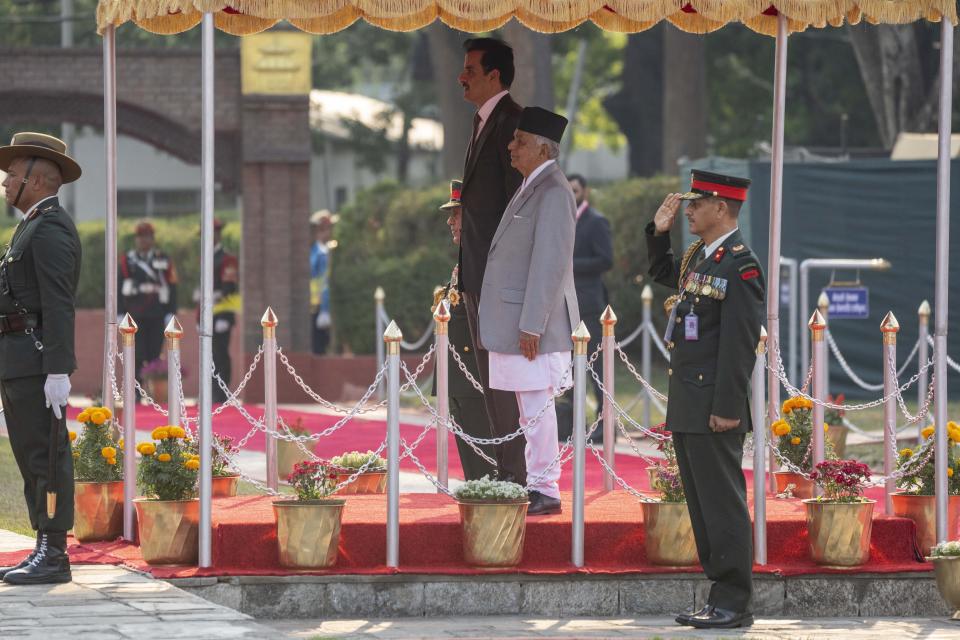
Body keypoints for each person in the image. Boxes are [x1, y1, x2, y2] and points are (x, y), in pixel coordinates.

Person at [646, 169, 764, 629]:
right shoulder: (700, 255)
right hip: (690, 402)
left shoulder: (740, 263)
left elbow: (739, 344)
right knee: (701, 504)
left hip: (715, 407)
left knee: (723, 504)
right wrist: (659, 232)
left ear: (723, 208)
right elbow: (662, 273)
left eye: (698, 203)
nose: (689, 210)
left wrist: (728, 409)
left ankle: (735, 600)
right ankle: (720, 596)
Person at [478, 107, 579, 516]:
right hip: (521, 318)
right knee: (529, 408)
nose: (511, 145)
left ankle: (547, 487)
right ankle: (538, 482)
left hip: (532, 321)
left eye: (520, 140)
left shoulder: (553, 190)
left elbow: (550, 263)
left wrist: (532, 324)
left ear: (542, 148)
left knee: (537, 407)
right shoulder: (533, 185)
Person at [0, 132, 82, 584]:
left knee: (45, 457)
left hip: (35, 361)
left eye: (12, 175)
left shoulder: (49, 227)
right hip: (19, 360)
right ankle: (42, 547)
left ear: (37, 179)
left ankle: (54, 554)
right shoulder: (31, 223)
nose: (6, 182)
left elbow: (58, 302)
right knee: (31, 454)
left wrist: (57, 368)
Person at [456, 37, 526, 485]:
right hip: (478, 271)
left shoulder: (511, 124)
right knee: (489, 381)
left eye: (471, 70)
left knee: (505, 382)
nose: (461, 78)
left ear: (494, 75)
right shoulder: (484, 121)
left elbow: (516, 206)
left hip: (499, 278)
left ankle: (516, 477)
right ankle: (505, 473)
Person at [434, 179, 496, 481]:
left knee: (484, 467)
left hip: (475, 377)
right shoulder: (466, 259)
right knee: (473, 468)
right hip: (461, 379)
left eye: (455, 214)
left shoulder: (482, 260)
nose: (450, 222)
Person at [569, 173, 613, 441]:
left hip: (590, 303)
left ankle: (605, 426)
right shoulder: (561, 221)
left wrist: (570, 265)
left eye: (574, 191)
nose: (571, 195)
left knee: (596, 369)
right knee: (571, 369)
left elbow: (605, 259)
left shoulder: (595, 221)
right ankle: (574, 423)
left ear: (584, 192)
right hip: (566, 304)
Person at [118, 220, 178, 383]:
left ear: (152, 239)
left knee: (154, 353)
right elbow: (119, 287)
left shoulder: (163, 259)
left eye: (147, 237)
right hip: (135, 314)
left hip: (157, 314)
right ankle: (135, 393)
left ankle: (153, 392)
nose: (143, 240)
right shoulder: (127, 260)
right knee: (135, 354)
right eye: (140, 237)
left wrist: (171, 312)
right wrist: (119, 313)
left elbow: (172, 287)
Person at [210, 218, 238, 402]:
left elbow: (229, 289)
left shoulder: (227, 259)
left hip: (221, 315)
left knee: (221, 355)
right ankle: (212, 392)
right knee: (210, 356)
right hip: (208, 315)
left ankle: (222, 393)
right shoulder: (206, 256)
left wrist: (225, 317)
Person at [310, 209, 334, 355]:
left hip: (319, 305)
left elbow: (324, 281)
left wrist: (325, 309)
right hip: (317, 306)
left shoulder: (319, 251)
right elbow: (322, 281)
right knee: (318, 346)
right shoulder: (318, 252)